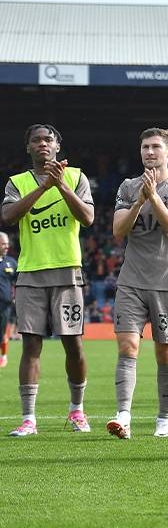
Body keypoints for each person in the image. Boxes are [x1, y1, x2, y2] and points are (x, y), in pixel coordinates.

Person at [2, 124, 94, 436]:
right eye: (36, 140)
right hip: (30, 272)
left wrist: (61, 186)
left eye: (48, 139)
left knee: (74, 345)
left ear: (57, 146)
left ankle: (77, 411)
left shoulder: (77, 177)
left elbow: (88, 218)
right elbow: (9, 216)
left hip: (68, 271)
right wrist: (43, 187)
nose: (42, 143)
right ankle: (29, 418)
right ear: (28, 147)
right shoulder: (18, 182)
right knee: (30, 345)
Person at [107, 127, 168, 439]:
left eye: (156, 146)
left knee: (165, 355)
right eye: (145, 146)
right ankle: (124, 415)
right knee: (128, 347)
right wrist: (138, 201)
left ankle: (163, 419)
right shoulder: (128, 187)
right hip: (131, 282)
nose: (149, 152)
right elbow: (118, 230)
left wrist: (154, 197)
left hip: (167, 284)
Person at [0, 232, 16, 369]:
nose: (6, 246)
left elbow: (19, 281)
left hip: (5, 306)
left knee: (3, 331)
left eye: (7, 244)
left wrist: (17, 296)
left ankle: (3, 356)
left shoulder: (11, 262)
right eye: (3, 243)